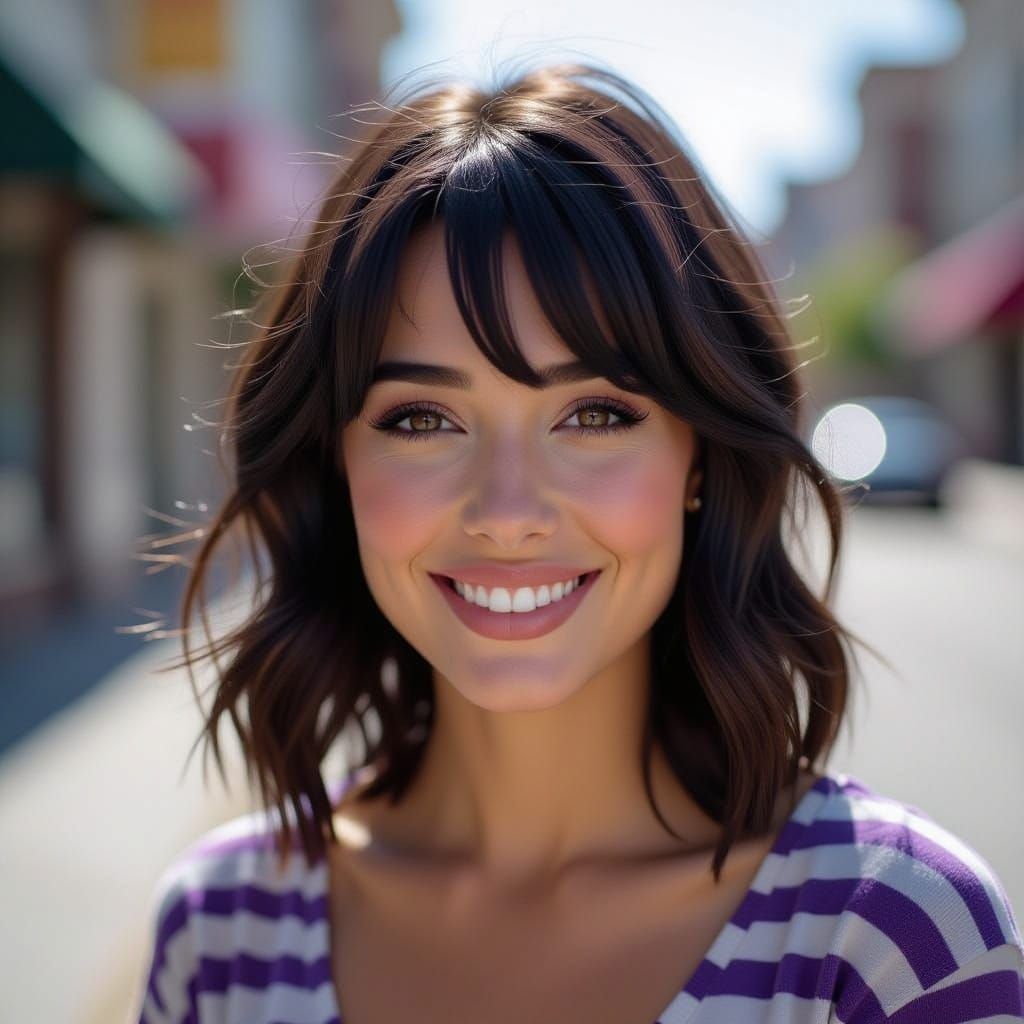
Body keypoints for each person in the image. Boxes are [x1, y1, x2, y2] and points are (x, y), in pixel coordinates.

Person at [132, 60, 1023, 1023]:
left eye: (595, 414)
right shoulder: (219, 933)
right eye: (423, 419)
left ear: (699, 456)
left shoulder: (890, 937)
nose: (508, 510)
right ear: (335, 464)